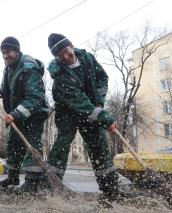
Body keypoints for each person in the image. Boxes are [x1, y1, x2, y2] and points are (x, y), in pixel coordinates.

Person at [46, 33, 124, 201]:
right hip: (68, 111)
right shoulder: (60, 74)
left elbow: (102, 78)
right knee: (62, 145)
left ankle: (110, 189)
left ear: (72, 45)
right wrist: (106, 119)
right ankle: (51, 186)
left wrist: (99, 102)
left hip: (92, 108)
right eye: (61, 56)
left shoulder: (87, 58)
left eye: (67, 51)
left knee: (99, 145)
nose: (67, 57)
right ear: (57, 58)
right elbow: (80, 102)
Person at [0, 36, 49, 193]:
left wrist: (15, 114)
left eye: (8, 52)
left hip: (34, 113)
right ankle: (12, 177)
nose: (5, 56)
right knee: (14, 145)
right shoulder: (9, 68)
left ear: (17, 51)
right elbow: (7, 91)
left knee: (31, 146)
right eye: (3, 53)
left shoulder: (29, 68)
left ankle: (33, 182)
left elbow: (34, 98)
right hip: (17, 114)